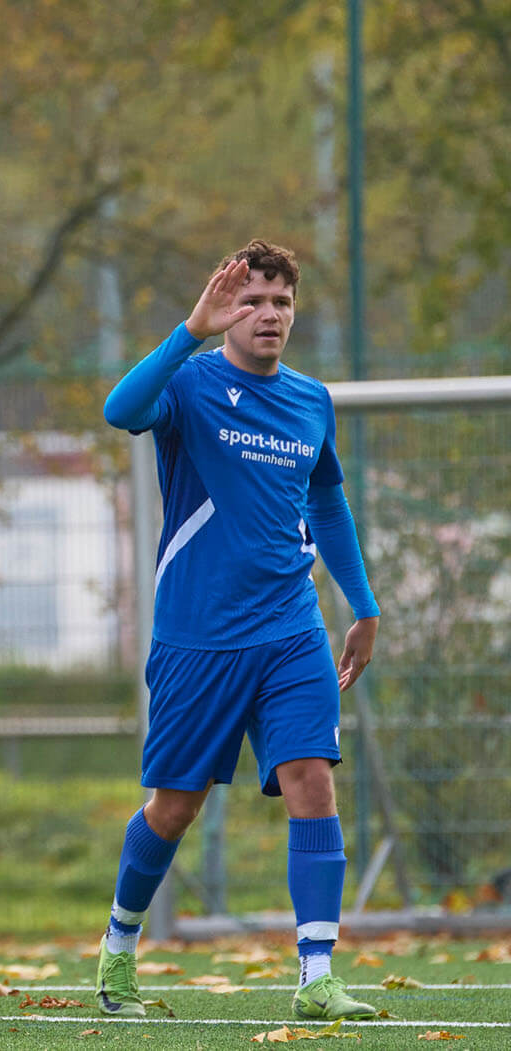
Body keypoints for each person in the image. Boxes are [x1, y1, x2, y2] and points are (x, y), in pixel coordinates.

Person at [96, 242, 381, 1022]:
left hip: (292, 629)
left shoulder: (310, 399)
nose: (267, 316)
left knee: (312, 780)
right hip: (196, 637)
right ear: (227, 308)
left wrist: (362, 604)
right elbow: (120, 412)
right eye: (252, 300)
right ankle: (119, 945)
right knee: (175, 806)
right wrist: (188, 330)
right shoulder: (188, 382)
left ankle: (317, 974)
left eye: (281, 303)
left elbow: (326, 503)